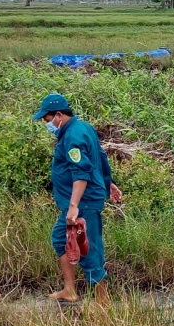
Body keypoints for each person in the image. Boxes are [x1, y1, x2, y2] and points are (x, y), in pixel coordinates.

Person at [32, 92, 114, 304]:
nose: (47, 125)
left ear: (59, 115)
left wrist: (74, 206)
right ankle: (69, 290)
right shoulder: (82, 128)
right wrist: (109, 183)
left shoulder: (73, 137)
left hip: (83, 201)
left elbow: (80, 173)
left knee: (87, 247)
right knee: (60, 239)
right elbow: (100, 158)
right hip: (82, 199)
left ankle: (103, 301)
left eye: (48, 120)